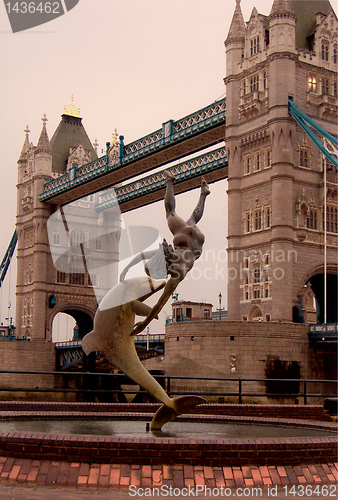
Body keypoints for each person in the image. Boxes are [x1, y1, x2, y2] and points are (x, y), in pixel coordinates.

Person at [122, 170, 210, 335]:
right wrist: (126, 268)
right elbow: (143, 256)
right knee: (170, 212)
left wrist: (144, 323)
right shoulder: (169, 254)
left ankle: (204, 194)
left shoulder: (176, 277)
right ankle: (169, 181)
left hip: (197, 245)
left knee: (192, 220)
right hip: (185, 240)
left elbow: (159, 305)